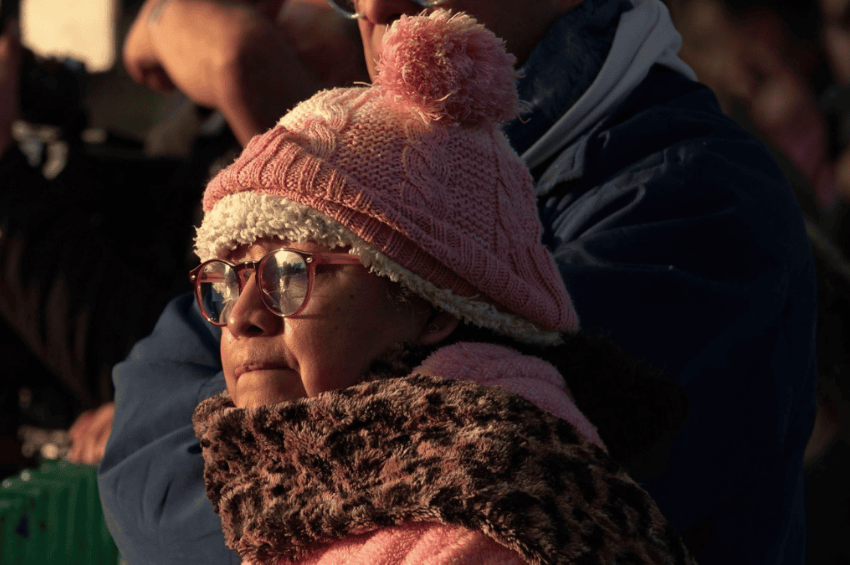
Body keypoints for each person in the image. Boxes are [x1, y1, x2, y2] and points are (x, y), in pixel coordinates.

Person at [100, 0, 817, 564]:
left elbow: (470, 482)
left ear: (435, 302)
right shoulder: (358, 172)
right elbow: (141, 453)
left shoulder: (702, 206)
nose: (378, 9)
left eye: (298, 271)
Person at [188, 12, 693, 563]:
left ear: (432, 306)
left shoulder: (482, 509)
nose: (241, 315)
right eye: (225, 280)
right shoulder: (308, 476)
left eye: (290, 271)